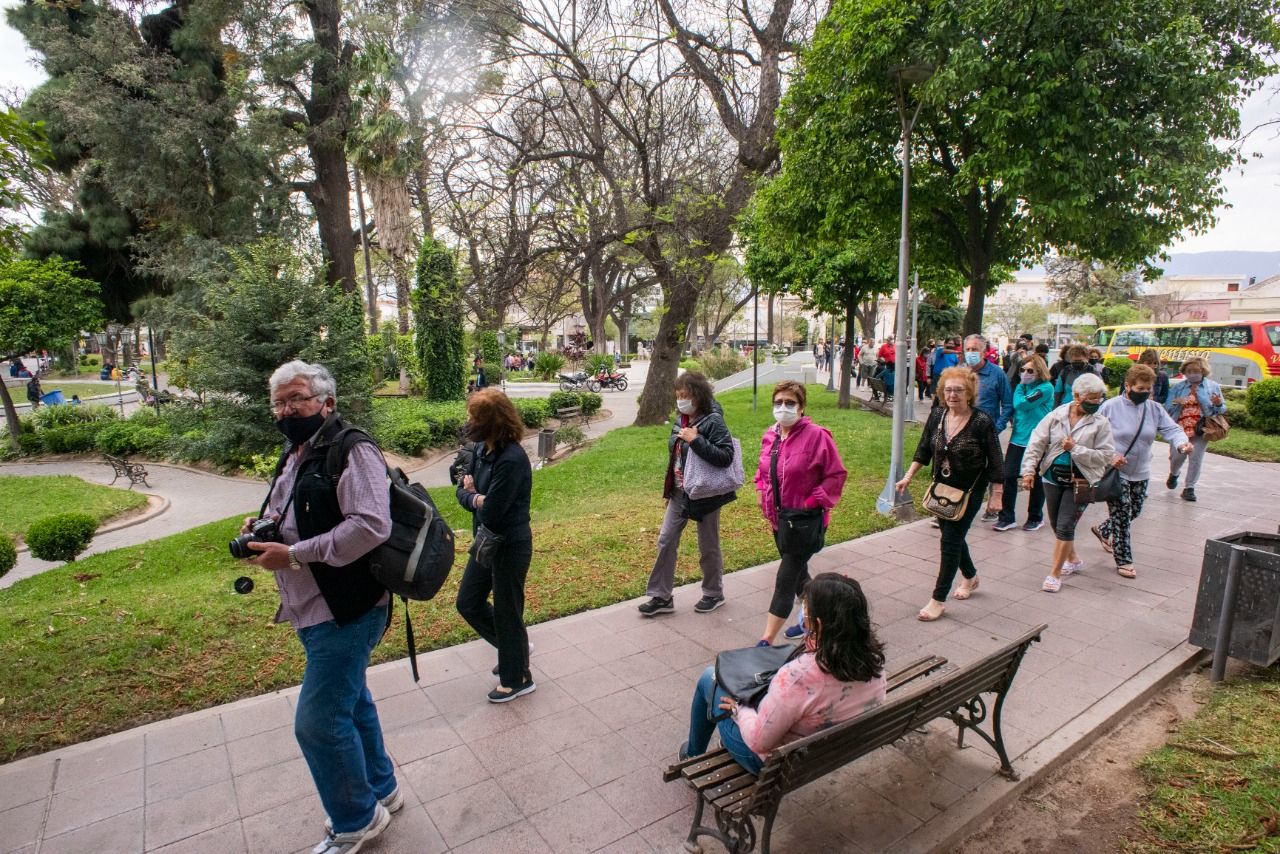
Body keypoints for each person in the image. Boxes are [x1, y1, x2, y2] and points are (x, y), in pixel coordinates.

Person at [240, 361, 399, 854]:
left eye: (296, 399)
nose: (287, 410)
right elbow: (291, 509)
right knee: (351, 702)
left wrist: (295, 553)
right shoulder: (298, 451)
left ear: (326, 403)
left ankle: (355, 820)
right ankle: (382, 790)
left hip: (350, 607)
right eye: (279, 403)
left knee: (317, 720)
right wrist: (265, 525)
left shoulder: (354, 449)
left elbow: (372, 525)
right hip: (311, 605)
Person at [680, 574, 887, 774]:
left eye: (806, 609)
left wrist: (738, 710)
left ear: (820, 625)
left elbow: (758, 742)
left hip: (777, 766)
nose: (802, 613)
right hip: (828, 753)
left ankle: (692, 755)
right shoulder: (873, 661)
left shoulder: (800, 675)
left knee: (709, 679)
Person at [896, 367, 1004, 621]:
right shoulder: (937, 416)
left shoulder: (981, 421)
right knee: (951, 535)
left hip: (970, 491)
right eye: (949, 390)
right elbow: (924, 449)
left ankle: (938, 599)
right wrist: (908, 476)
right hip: (941, 489)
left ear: (970, 393)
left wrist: (997, 494)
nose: (953, 395)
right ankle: (971, 576)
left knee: (950, 541)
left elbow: (996, 461)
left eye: (959, 390)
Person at [455, 388, 537, 701]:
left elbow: (493, 509)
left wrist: (473, 496)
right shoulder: (480, 450)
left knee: (507, 611)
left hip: (510, 545)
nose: (469, 422)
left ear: (491, 421)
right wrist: (473, 496)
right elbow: (461, 490)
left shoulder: (512, 459)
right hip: (485, 539)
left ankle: (517, 678)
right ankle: (512, 653)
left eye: (474, 417)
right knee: (468, 602)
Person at [753, 381, 847, 646]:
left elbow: (836, 475)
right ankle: (814, 617)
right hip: (779, 519)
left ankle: (766, 639)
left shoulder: (817, 436)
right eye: (779, 402)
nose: (783, 408)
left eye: (790, 403)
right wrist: (761, 490)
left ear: (802, 407)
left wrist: (810, 501)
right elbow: (762, 471)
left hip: (805, 521)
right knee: (798, 572)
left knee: (786, 576)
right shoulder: (770, 435)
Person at [639, 371, 735, 616]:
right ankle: (661, 596)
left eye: (686, 396)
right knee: (666, 539)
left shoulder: (713, 420)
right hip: (680, 491)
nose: (681, 401)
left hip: (705, 494)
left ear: (698, 396)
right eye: (678, 396)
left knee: (708, 545)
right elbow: (674, 447)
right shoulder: (681, 418)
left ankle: (714, 593)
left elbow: (725, 457)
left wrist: (696, 440)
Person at [1021, 372, 1115, 593]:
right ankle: (1072, 558)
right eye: (1091, 398)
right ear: (1076, 396)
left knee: (1065, 526)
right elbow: (1037, 442)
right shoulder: (1056, 416)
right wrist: (1028, 471)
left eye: (1099, 398)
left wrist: (1076, 450)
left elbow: (1105, 455)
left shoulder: (1101, 423)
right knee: (1056, 524)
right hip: (1052, 478)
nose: (1096, 403)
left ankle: (1054, 574)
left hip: (1081, 482)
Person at [1095, 364, 1191, 578]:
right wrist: (1110, 456)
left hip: (1142, 471)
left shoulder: (1154, 409)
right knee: (1121, 514)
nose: (1145, 393)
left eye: (1149, 389)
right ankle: (1124, 560)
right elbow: (1095, 435)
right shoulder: (1110, 407)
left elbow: (1171, 429)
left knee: (1134, 510)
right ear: (1127, 386)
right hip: (1115, 470)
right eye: (1140, 389)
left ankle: (1104, 529)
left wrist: (1182, 443)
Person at [994, 355, 1054, 532]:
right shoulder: (1022, 386)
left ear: (1039, 371)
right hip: (1018, 439)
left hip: (1038, 441)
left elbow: (1021, 404)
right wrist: (1021, 387)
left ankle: (1035, 517)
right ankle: (1006, 517)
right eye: (1023, 370)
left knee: (1035, 478)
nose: (1025, 374)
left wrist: (1020, 388)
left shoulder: (1046, 388)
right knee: (1009, 475)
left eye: (1030, 371)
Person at [963, 334, 1013, 521]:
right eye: (967, 349)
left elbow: (1008, 404)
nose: (970, 353)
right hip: (961, 430)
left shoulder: (997, 374)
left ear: (984, 352)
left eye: (974, 349)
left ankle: (992, 508)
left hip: (986, 432)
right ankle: (953, 507)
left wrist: (996, 428)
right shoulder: (959, 371)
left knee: (991, 468)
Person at [1164, 357, 1226, 502]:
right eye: (1189, 371)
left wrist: (1217, 404)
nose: (1192, 374)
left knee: (1196, 458)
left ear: (1203, 371)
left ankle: (1189, 488)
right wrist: (1176, 401)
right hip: (1180, 428)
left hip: (1202, 428)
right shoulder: (1178, 387)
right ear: (1184, 372)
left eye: (1196, 371)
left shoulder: (1213, 386)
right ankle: (1174, 473)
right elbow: (1167, 407)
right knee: (1177, 457)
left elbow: (1222, 408)